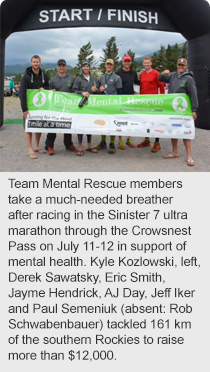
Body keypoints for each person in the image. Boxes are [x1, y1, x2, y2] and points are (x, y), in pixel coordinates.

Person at [158, 58, 198, 166]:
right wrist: (163, 73)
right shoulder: (173, 75)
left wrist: (194, 109)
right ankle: (175, 152)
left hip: (183, 110)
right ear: (177, 65)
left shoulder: (189, 79)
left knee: (186, 132)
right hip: (172, 108)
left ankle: (189, 156)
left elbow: (193, 94)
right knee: (173, 130)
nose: (181, 67)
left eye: (183, 65)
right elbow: (160, 78)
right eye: (179, 65)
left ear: (186, 66)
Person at [45, 59, 77, 155]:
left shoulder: (72, 78)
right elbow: (49, 93)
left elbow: (75, 91)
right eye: (60, 66)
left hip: (68, 106)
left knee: (67, 125)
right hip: (56, 107)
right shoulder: (53, 79)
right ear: (57, 67)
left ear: (66, 67)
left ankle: (68, 144)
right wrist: (52, 91)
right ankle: (49, 145)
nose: (61, 67)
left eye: (63, 65)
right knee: (53, 125)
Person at [20, 55, 49, 159]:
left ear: (40, 63)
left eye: (37, 62)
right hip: (29, 108)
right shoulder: (26, 77)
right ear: (31, 63)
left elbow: (48, 87)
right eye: (34, 62)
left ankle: (37, 146)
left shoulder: (44, 75)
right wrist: (24, 109)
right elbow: (22, 94)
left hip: (40, 107)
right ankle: (30, 149)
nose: (36, 64)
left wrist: (44, 88)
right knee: (28, 128)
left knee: (38, 126)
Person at [137, 56, 165, 152]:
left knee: (155, 122)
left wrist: (162, 99)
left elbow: (161, 86)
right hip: (144, 102)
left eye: (148, 62)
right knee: (145, 121)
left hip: (154, 102)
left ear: (151, 63)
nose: (146, 64)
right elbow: (141, 87)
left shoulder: (156, 73)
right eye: (145, 63)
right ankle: (147, 140)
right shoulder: (142, 74)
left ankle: (157, 142)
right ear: (143, 63)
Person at [95, 58, 122, 154]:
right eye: (107, 64)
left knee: (112, 123)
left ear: (113, 66)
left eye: (111, 65)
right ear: (105, 65)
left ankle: (112, 143)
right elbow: (98, 92)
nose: (109, 66)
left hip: (113, 105)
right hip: (103, 104)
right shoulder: (101, 78)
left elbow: (120, 93)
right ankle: (103, 142)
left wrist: (118, 104)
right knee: (103, 123)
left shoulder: (117, 77)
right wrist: (100, 90)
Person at [73, 61, 99, 156]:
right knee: (80, 125)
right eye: (84, 67)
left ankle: (89, 145)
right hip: (81, 105)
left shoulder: (94, 79)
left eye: (87, 66)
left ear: (89, 68)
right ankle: (80, 146)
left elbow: (99, 90)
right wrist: (81, 93)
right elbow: (74, 90)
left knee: (90, 125)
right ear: (82, 68)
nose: (86, 68)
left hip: (91, 106)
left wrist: (97, 90)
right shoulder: (78, 79)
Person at [116, 55, 140, 149]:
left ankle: (128, 139)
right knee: (120, 120)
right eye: (125, 61)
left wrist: (150, 81)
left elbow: (137, 82)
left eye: (128, 61)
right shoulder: (118, 73)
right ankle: (120, 140)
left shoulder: (134, 73)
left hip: (131, 99)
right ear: (122, 62)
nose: (127, 63)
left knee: (130, 119)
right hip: (121, 99)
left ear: (131, 62)